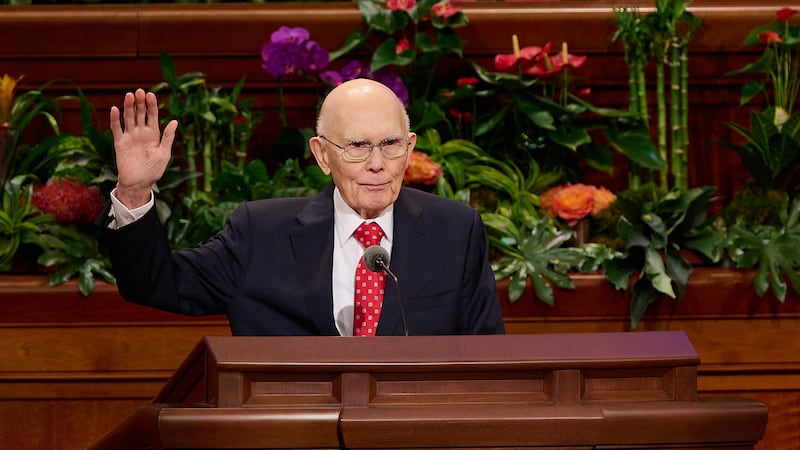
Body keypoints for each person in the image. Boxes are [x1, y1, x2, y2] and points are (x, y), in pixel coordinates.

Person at [101, 78, 505, 336]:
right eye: (358, 146)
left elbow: (488, 357)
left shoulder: (455, 230)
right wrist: (134, 193)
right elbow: (155, 284)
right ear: (322, 154)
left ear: (410, 147)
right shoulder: (260, 233)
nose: (377, 163)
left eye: (391, 145)